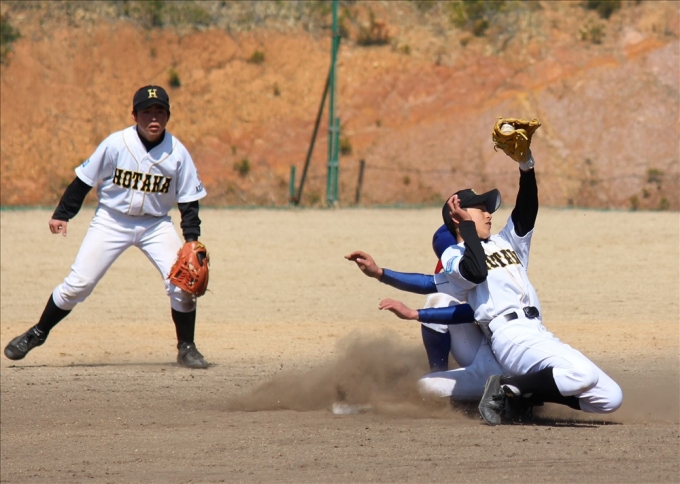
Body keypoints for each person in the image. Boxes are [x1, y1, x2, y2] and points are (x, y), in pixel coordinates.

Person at [4, 85, 210, 369]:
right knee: (78, 284)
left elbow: (188, 201)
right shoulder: (116, 144)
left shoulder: (178, 152)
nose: (153, 117)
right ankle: (38, 333)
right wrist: (63, 214)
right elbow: (84, 180)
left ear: (168, 116)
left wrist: (191, 239)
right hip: (112, 220)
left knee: (182, 283)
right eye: (146, 111)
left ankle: (186, 347)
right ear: (134, 115)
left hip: (155, 224)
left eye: (159, 111)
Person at [439, 147, 622, 425]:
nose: (489, 215)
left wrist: (526, 165)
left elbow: (526, 211)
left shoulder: (504, 241)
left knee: (610, 398)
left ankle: (521, 396)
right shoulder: (453, 255)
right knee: (582, 374)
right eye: (481, 209)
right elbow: (476, 272)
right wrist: (466, 229)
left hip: (537, 331)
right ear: (458, 216)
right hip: (509, 336)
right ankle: (506, 387)